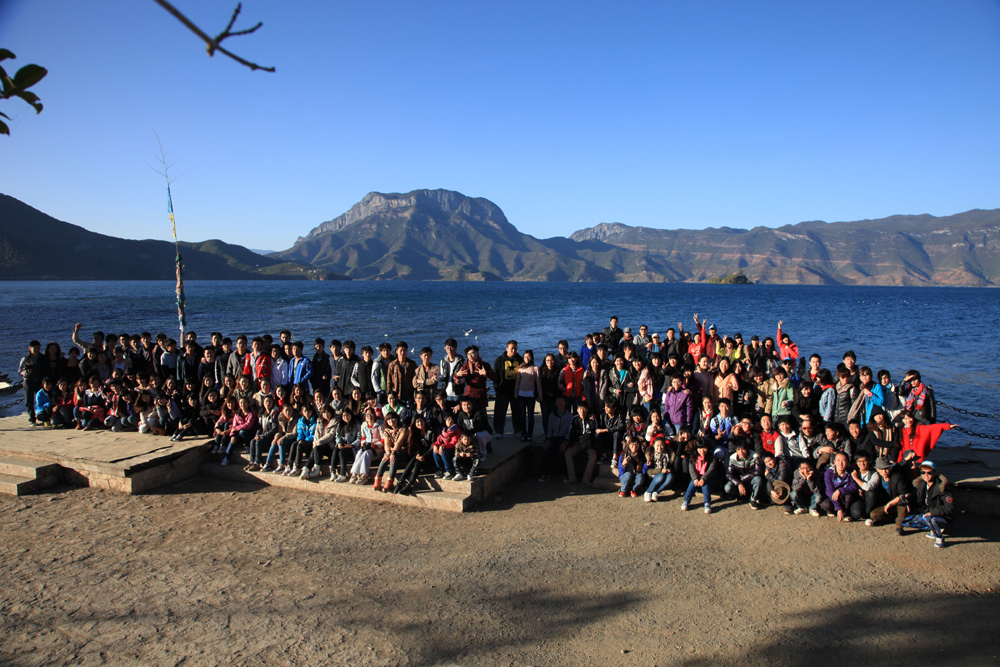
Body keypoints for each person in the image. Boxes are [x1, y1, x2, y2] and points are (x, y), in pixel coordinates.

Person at [912, 460, 954, 548]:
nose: (926, 475)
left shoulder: (943, 487)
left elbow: (949, 507)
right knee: (907, 521)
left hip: (942, 516)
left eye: (929, 473)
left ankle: (939, 538)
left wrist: (932, 512)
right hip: (927, 512)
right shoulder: (920, 485)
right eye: (923, 472)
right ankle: (933, 530)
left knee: (930, 519)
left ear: (934, 473)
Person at [869, 456, 914, 535]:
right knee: (874, 515)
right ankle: (897, 518)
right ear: (877, 469)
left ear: (890, 468)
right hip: (889, 505)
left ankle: (899, 526)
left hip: (898, 503)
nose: (884, 471)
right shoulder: (877, 478)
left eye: (886, 468)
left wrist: (890, 503)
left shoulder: (897, 477)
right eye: (881, 469)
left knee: (903, 502)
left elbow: (903, 495)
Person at [820, 452, 861, 521]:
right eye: (838, 460)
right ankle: (836, 511)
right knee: (826, 505)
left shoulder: (851, 472)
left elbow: (854, 487)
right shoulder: (828, 472)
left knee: (849, 497)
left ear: (847, 462)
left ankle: (845, 513)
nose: (840, 463)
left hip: (845, 496)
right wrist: (839, 507)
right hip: (833, 496)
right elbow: (829, 491)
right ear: (834, 462)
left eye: (843, 461)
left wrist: (840, 490)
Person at [540, 395, 572, 482]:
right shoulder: (552, 415)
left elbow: (569, 431)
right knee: (546, 450)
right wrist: (547, 440)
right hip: (554, 438)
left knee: (561, 451)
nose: (560, 403)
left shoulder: (569, 416)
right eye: (558, 401)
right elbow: (549, 429)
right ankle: (546, 474)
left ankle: (563, 474)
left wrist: (566, 441)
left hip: (563, 438)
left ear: (565, 403)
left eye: (562, 401)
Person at [564, 402, 598, 484]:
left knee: (593, 454)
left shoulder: (592, 419)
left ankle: (586, 479)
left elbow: (592, 434)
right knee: (568, 453)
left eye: (584, 409)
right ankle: (572, 477)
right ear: (577, 410)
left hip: (588, 443)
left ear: (587, 410)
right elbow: (572, 433)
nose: (582, 411)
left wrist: (591, 445)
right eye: (580, 409)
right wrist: (570, 445)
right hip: (578, 443)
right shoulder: (574, 419)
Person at [725, 440, 765, 509]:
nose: (741, 452)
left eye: (743, 449)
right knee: (728, 488)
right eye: (738, 450)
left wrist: (743, 478)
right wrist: (739, 483)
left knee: (758, 479)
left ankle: (753, 499)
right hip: (739, 481)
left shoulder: (754, 456)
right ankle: (741, 495)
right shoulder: (732, 458)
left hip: (750, 480)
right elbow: (729, 474)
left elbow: (757, 471)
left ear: (747, 449)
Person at [681, 439, 716, 513]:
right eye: (699, 448)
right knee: (692, 483)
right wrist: (695, 478)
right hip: (697, 477)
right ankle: (686, 501)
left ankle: (707, 503)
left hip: (709, 479)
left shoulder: (712, 458)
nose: (702, 450)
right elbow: (691, 469)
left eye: (704, 448)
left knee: (705, 484)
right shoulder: (693, 457)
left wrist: (703, 479)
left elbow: (711, 470)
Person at [514, 350, 542, 442]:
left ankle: (529, 434)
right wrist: (515, 393)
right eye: (525, 356)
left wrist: (540, 395)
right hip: (521, 395)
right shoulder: (520, 368)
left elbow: (538, 383)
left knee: (530, 416)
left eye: (528, 357)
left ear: (532, 357)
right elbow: (517, 382)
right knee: (522, 415)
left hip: (531, 395)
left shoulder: (535, 368)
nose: (527, 358)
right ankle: (523, 433)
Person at [644, 436, 674, 502]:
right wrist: (660, 470)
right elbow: (648, 471)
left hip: (665, 472)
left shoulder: (668, 454)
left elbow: (671, 466)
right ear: (654, 445)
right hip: (653, 475)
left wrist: (669, 469)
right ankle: (648, 492)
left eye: (661, 445)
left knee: (670, 477)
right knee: (661, 475)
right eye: (657, 446)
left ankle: (656, 492)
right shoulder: (650, 455)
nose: (659, 448)